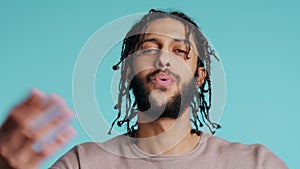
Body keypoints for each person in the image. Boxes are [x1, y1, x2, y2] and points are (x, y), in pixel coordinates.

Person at [0, 9, 288, 169]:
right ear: (128, 72)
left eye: (180, 52)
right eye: (149, 48)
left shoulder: (255, 164)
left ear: (199, 77)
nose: (164, 58)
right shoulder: (82, 163)